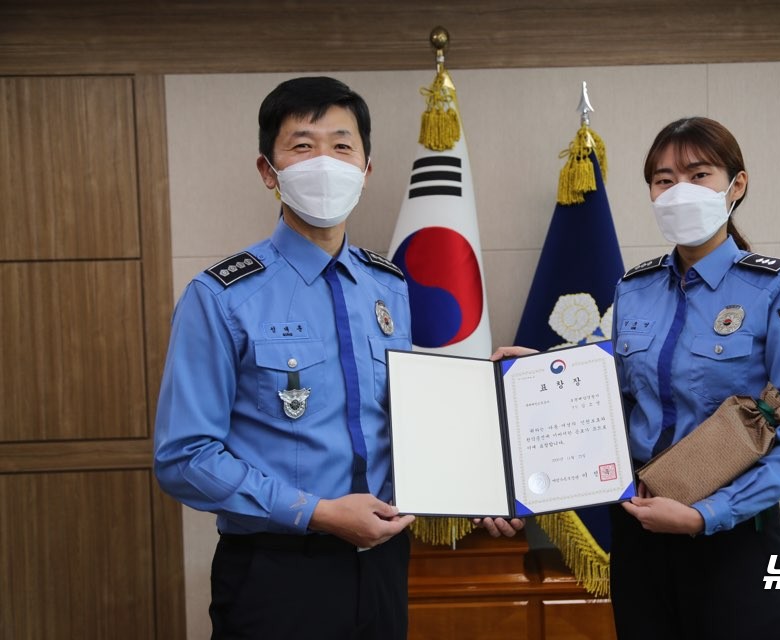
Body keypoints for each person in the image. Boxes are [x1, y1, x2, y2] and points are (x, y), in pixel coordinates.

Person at [154, 76, 520, 640]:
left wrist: (482, 450)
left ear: (366, 169)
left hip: (382, 566)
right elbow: (184, 457)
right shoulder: (222, 295)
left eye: (342, 145)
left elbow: (405, 418)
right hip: (275, 573)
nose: (324, 160)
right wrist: (317, 512)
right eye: (303, 145)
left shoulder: (388, 286)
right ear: (267, 171)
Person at [609, 116, 780, 639]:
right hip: (639, 532)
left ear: (737, 185)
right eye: (663, 180)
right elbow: (612, 402)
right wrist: (541, 370)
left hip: (734, 538)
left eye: (698, 174)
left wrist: (707, 515)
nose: (678, 191)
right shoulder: (632, 289)